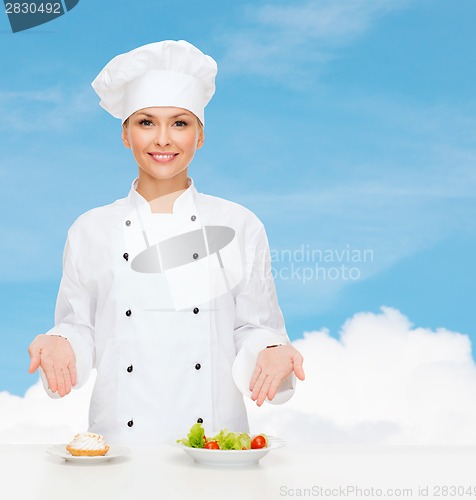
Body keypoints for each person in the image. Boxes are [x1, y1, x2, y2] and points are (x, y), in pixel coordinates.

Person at [27, 40, 305, 445]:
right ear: (125, 134)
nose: (162, 139)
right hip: (119, 445)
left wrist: (271, 350)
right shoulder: (90, 229)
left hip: (215, 445)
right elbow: (80, 326)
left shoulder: (238, 224)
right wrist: (61, 342)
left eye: (179, 123)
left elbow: (253, 327)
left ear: (201, 135)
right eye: (145, 123)